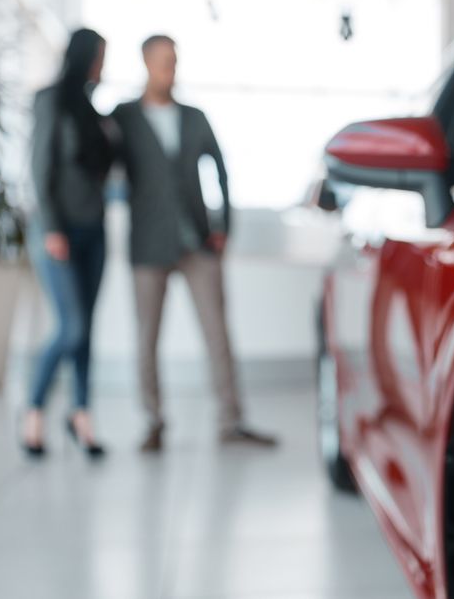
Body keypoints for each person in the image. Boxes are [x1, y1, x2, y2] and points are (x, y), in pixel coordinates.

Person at [112, 35, 276, 450]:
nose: (171, 69)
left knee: (217, 333)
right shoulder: (124, 117)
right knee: (147, 335)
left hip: (199, 243)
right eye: (164, 61)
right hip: (149, 245)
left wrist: (223, 229)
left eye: (175, 60)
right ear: (146, 63)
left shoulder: (195, 117)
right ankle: (154, 421)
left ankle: (231, 421)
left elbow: (220, 171)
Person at [21, 28, 116, 459]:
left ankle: (81, 415)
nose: (102, 66)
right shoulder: (50, 101)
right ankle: (34, 412)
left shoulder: (93, 111)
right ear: (83, 56)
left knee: (87, 331)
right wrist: (54, 228)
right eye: (99, 57)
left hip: (94, 228)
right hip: (57, 230)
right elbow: (41, 169)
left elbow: (105, 171)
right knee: (71, 326)